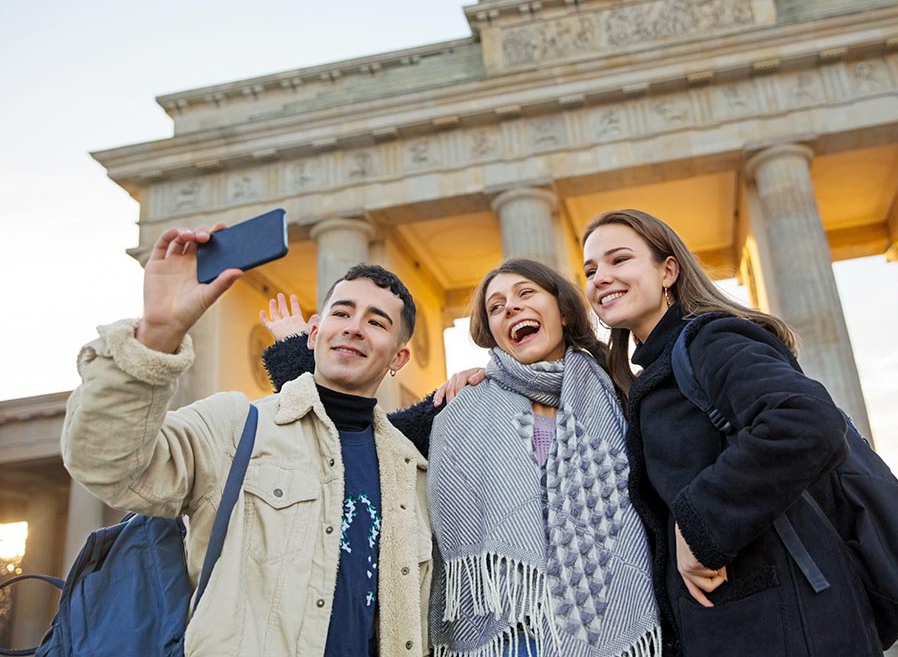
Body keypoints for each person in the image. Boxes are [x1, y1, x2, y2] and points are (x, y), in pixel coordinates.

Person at [62, 224, 431, 657]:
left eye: (376, 322)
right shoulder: (237, 425)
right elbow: (107, 463)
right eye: (342, 313)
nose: (353, 328)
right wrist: (156, 336)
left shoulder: (413, 473)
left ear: (399, 357)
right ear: (314, 334)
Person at [262, 259, 662, 657]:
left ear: (562, 310)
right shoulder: (460, 405)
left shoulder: (623, 394)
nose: (511, 308)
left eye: (526, 294)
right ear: (492, 333)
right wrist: (307, 352)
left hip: (617, 618)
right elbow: (361, 434)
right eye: (496, 307)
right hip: (505, 636)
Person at [579, 209, 881, 657]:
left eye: (618, 260)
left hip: (785, 620)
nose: (600, 277)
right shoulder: (647, 376)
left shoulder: (710, 341)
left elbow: (806, 421)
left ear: (668, 270)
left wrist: (699, 525)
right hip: (744, 619)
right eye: (590, 270)